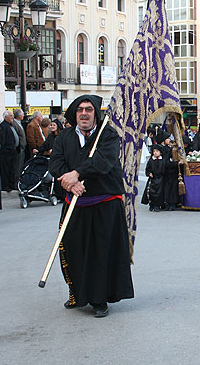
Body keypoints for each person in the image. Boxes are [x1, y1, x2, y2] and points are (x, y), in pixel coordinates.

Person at [48, 94, 134, 318]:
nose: (84, 114)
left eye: (88, 109)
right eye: (79, 110)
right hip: (74, 202)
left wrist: (77, 173)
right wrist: (71, 184)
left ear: (96, 113)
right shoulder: (64, 137)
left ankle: (99, 299)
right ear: (74, 114)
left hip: (103, 203)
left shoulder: (108, 135)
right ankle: (77, 294)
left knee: (100, 253)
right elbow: (56, 163)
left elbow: (104, 162)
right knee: (74, 250)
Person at [0, 110, 20, 192]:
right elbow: (3, 140)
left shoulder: (11, 125)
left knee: (12, 169)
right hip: (6, 152)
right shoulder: (3, 126)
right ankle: (5, 185)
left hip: (13, 151)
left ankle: (12, 184)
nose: (12, 117)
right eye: (11, 116)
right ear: (6, 117)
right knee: (5, 169)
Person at [142, 144, 166, 212]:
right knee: (151, 192)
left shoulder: (163, 160)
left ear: (160, 152)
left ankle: (158, 205)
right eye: (154, 151)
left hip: (161, 179)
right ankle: (152, 204)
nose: (155, 152)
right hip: (153, 178)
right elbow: (147, 169)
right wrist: (149, 173)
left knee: (159, 193)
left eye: (157, 151)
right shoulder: (151, 160)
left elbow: (165, 169)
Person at [13, 109, 27, 177]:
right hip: (19, 148)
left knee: (20, 165)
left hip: (22, 147)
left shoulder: (19, 123)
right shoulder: (14, 124)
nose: (23, 116)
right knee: (17, 166)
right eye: (22, 114)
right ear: (19, 115)